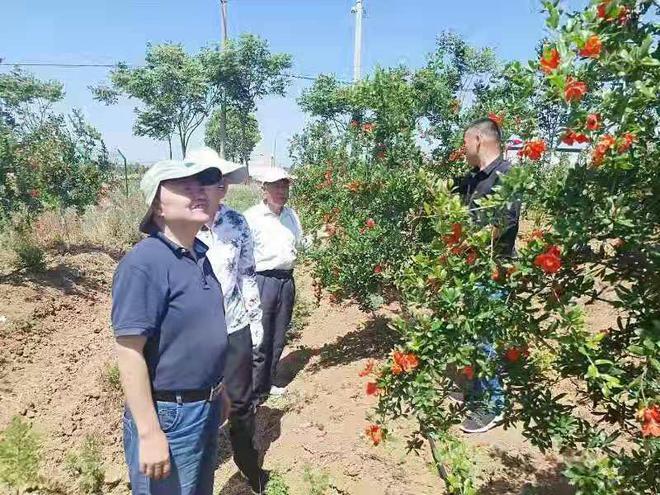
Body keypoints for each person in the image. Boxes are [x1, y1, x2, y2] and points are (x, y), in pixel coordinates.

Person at [111, 159, 230, 495]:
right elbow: (129, 350)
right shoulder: (145, 263)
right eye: (183, 185)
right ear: (157, 208)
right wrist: (149, 432)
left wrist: (218, 391)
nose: (199, 191)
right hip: (170, 417)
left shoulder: (198, 257)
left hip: (203, 408)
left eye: (201, 183)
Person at [189, 148, 269, 495]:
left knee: (240, 403)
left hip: (234, 324)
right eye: (209, 178)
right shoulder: (180, 227)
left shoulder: (236, 223)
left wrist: (255, 319)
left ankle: (250, 471)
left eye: (220, 180)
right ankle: (195, 476)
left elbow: (247, 274)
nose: (217, 186)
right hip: (195, 333)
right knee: (197, 405)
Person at [454, 117, 521, 434]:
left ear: (479, 140)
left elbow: (503, 225)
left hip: (492, 273)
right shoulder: (474, 179)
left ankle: (493, 405)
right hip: (471, 271)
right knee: (473, 335)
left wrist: (468, 240)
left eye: (466, 142)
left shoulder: (506, 176)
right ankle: (479, 390)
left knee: (486, 340)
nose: (463, 148)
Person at [244, 167, 304, 404]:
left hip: (286, 280)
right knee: (259, 336)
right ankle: (254, 392)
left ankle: (267, 384)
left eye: (285, 186)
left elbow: (301, 243)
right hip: (262, 281)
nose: (281, 191)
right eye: (276, 186)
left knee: (278, 335)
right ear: (264, 190)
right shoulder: (251, 217)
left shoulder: (291, 216)